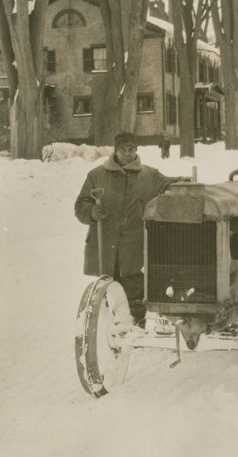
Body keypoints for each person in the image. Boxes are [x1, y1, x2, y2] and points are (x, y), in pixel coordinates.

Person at [74, 131, 183, 327]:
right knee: (107, 289)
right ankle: (111, 329)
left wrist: (185, 181)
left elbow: (169, 184)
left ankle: (137, 327)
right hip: (105, 244)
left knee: (134, 289)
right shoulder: (96, 175)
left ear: (136, 150)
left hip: (134, 245)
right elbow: (80, 206)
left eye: (131, 149)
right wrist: (91, 211)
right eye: (123, 149)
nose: (127, 153)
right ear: (116, 150)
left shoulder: (150, 175)